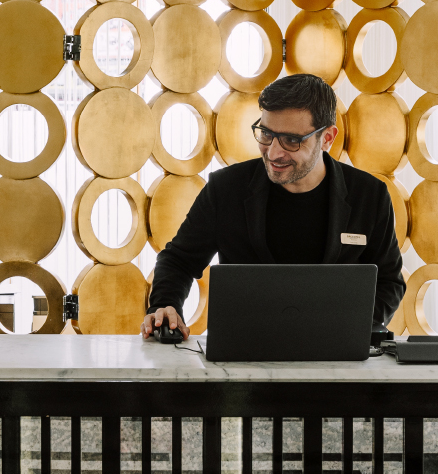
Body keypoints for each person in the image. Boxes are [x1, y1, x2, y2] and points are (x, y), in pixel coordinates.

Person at [142, 71, 405, 340]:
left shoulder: (370, 196)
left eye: (292, 140)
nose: (274, 152)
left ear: (327, 138)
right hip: (243, 351)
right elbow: (179, 260)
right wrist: (165, 304)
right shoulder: (226, 189)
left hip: (337, 351)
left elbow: (390, 282)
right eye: (266, 134)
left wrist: (351, 329)